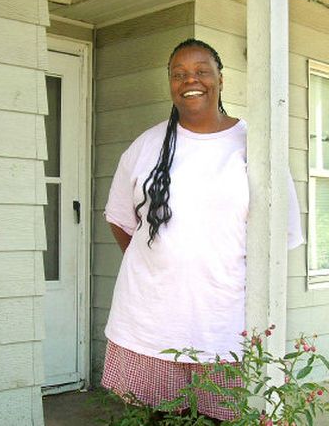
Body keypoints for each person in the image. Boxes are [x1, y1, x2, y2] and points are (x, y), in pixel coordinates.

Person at [101, 38, 304, 423]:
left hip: (223, 326)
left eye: (201, 71)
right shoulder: (146, 145)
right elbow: (119, 218)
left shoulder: (253, 147)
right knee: (152, 420)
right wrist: (155, 264)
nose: (189, 80)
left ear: (221, 79)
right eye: (179, 74)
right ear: (170, 84)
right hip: (150, 323)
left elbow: (280, 239)